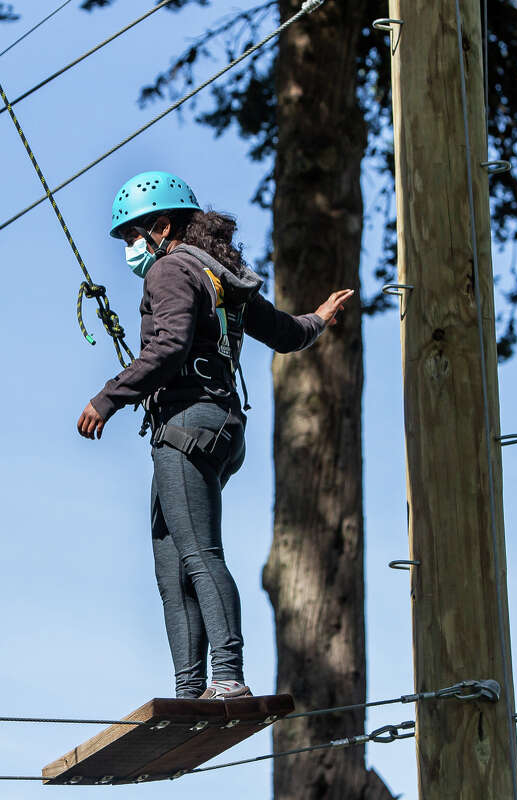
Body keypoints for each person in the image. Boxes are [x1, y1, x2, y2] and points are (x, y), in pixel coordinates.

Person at [76, 171, 353, 700]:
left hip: (186, 428)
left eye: (135, 236)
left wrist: (107, 399)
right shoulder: (220, 275)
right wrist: (317, 319)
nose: (132, 249)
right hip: (220, 429)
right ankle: (192, 689)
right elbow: (286, 334)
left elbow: (171, 346)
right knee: (171, 560)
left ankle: (225, 679)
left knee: (198, 554)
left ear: (162, 227)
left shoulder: (169, 270)